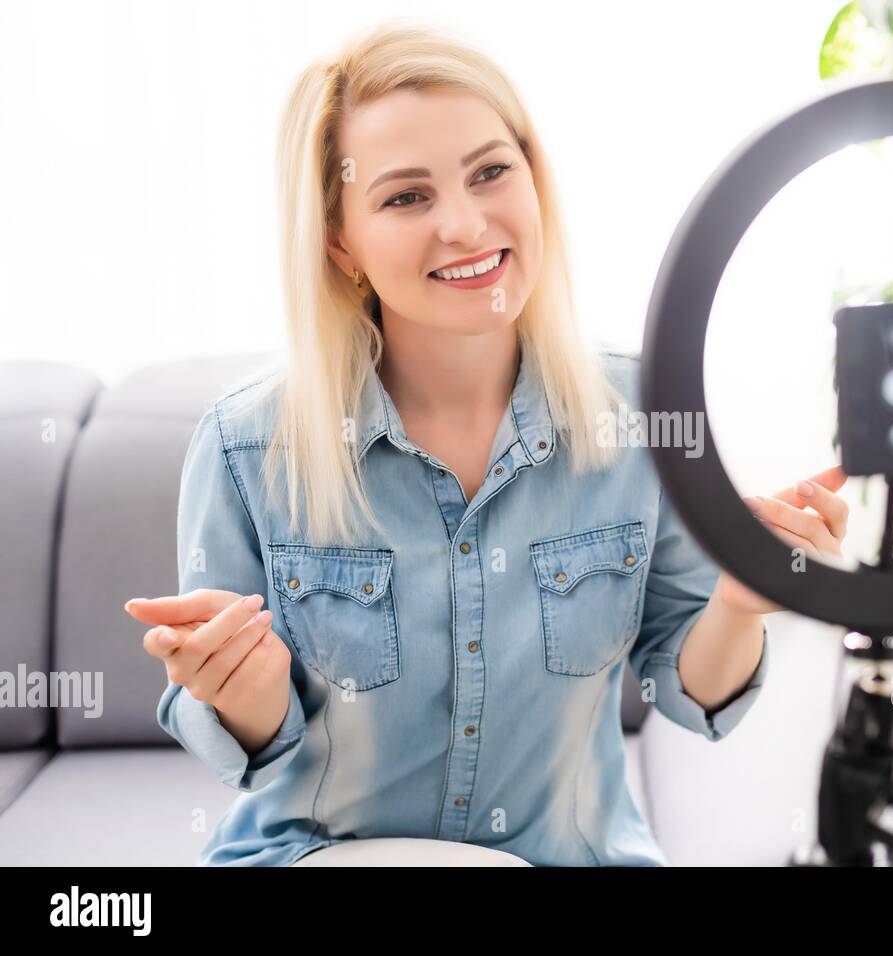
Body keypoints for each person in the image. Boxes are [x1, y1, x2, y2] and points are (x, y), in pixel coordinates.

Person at [122, 20, 848, 866]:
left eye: (491, 172)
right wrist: (243, 694)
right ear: (339, 241)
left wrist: (741, 602)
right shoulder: (246, 448)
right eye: (405, 196)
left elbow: (692, 697)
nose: (465, 226)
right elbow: (252, 748)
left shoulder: (647, 409)